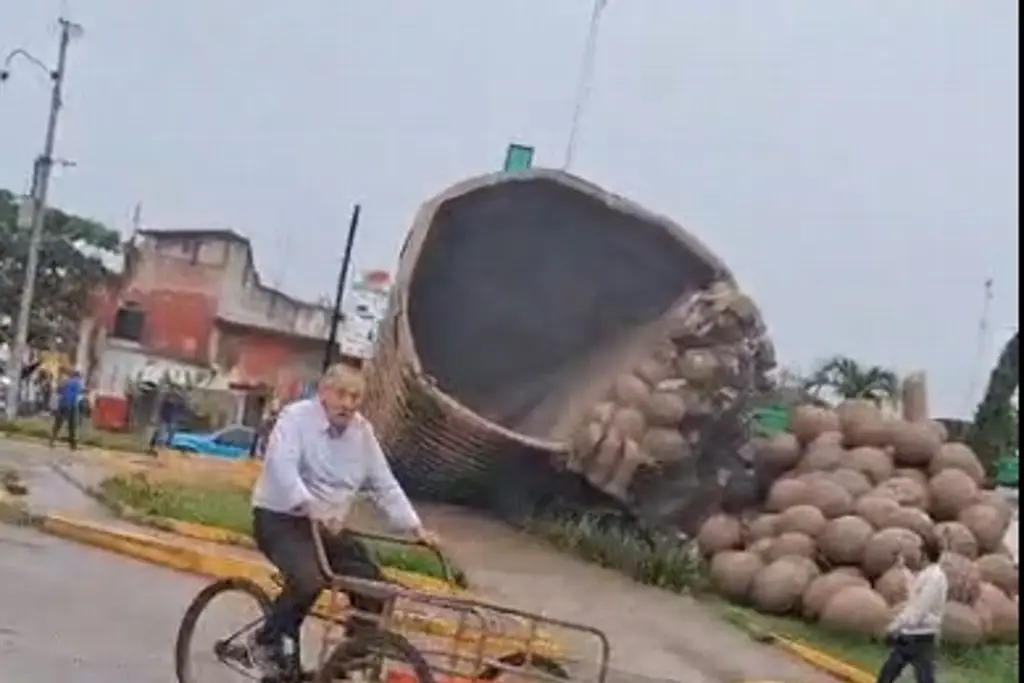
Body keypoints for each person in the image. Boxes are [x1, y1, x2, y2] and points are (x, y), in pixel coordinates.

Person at [246, 363, 438, 678]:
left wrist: (415, 528)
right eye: (341, 394)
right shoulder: (296, 419)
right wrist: (311, 506)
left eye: (355, 397)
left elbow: (383, 484)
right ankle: (266, 642)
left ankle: (344, 661)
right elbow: (282, 466)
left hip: (328, 529)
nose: (347, 403)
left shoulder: (362, 433)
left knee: (377, 589)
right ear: (323, 392)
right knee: (310, 578)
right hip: (281, 519)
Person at [875, 540, 948, 683]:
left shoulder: (935, 578)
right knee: (889, 673)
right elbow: (914, 593)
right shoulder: (928, 575)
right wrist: (903, 569)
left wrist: (894, 627)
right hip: (912, 634)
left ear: (925, 555)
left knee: (919, 676)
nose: (917, 556)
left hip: (920, 636)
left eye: (920, 553)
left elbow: (918, 610)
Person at [49, 368, 84, 450]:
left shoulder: (65, 381)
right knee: (72, 426)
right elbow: (77, 395)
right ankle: (73, 445)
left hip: (62, 404)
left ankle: (52, 440)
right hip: (72, 405)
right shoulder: (77, 383)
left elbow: (58, 390)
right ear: (78, 376)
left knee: (58, 424)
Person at [149, 389, 183, 454]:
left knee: (169, 433)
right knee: (162, 433)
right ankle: (159, 446)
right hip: (165, 418)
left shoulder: (177, 402)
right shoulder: (166, 401)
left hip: (171, 419)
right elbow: (159, 408)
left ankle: (166, 446)